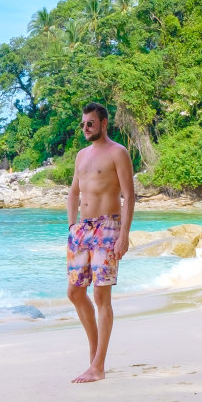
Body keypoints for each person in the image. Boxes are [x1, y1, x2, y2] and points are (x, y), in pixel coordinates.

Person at [66, 102, 135, 383]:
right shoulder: (81, 156)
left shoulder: (119, 153)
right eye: (83, 124)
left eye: (90, 123)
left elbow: (129, 197)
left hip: (107, 227)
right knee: (74, 292)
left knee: (100, 297)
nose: (85, 128)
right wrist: (72, 226)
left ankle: (98, 366)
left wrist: (123, 235)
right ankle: (95, 357)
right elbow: (73, 193)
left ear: (104, 123)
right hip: (81, 231)